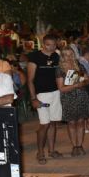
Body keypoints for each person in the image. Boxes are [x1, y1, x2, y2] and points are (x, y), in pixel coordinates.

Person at [28, 35, 63, 165]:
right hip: (41, 94)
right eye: (48, 44)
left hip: (56, 92)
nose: (51, 47)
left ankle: (52, 150)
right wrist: (33, 98)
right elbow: (30, 80)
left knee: (53, 123)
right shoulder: (34, 57)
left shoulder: (56, 56)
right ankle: (40, 152)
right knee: (44, 124)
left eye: (54, 44)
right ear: (43, 44)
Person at [56, 47, 89, 157]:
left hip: (81, 95)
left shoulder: (79, 65)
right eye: (66, 54)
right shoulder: (60, 69)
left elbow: (87, 79)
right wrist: (76, 84)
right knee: (71, 122)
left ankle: (80, 145)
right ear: (62, 56)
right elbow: (61, 88)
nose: (69, 56)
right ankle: (74, 146)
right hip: (68, 97)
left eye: (70, 54)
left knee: (81, 121)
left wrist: (84, 82)